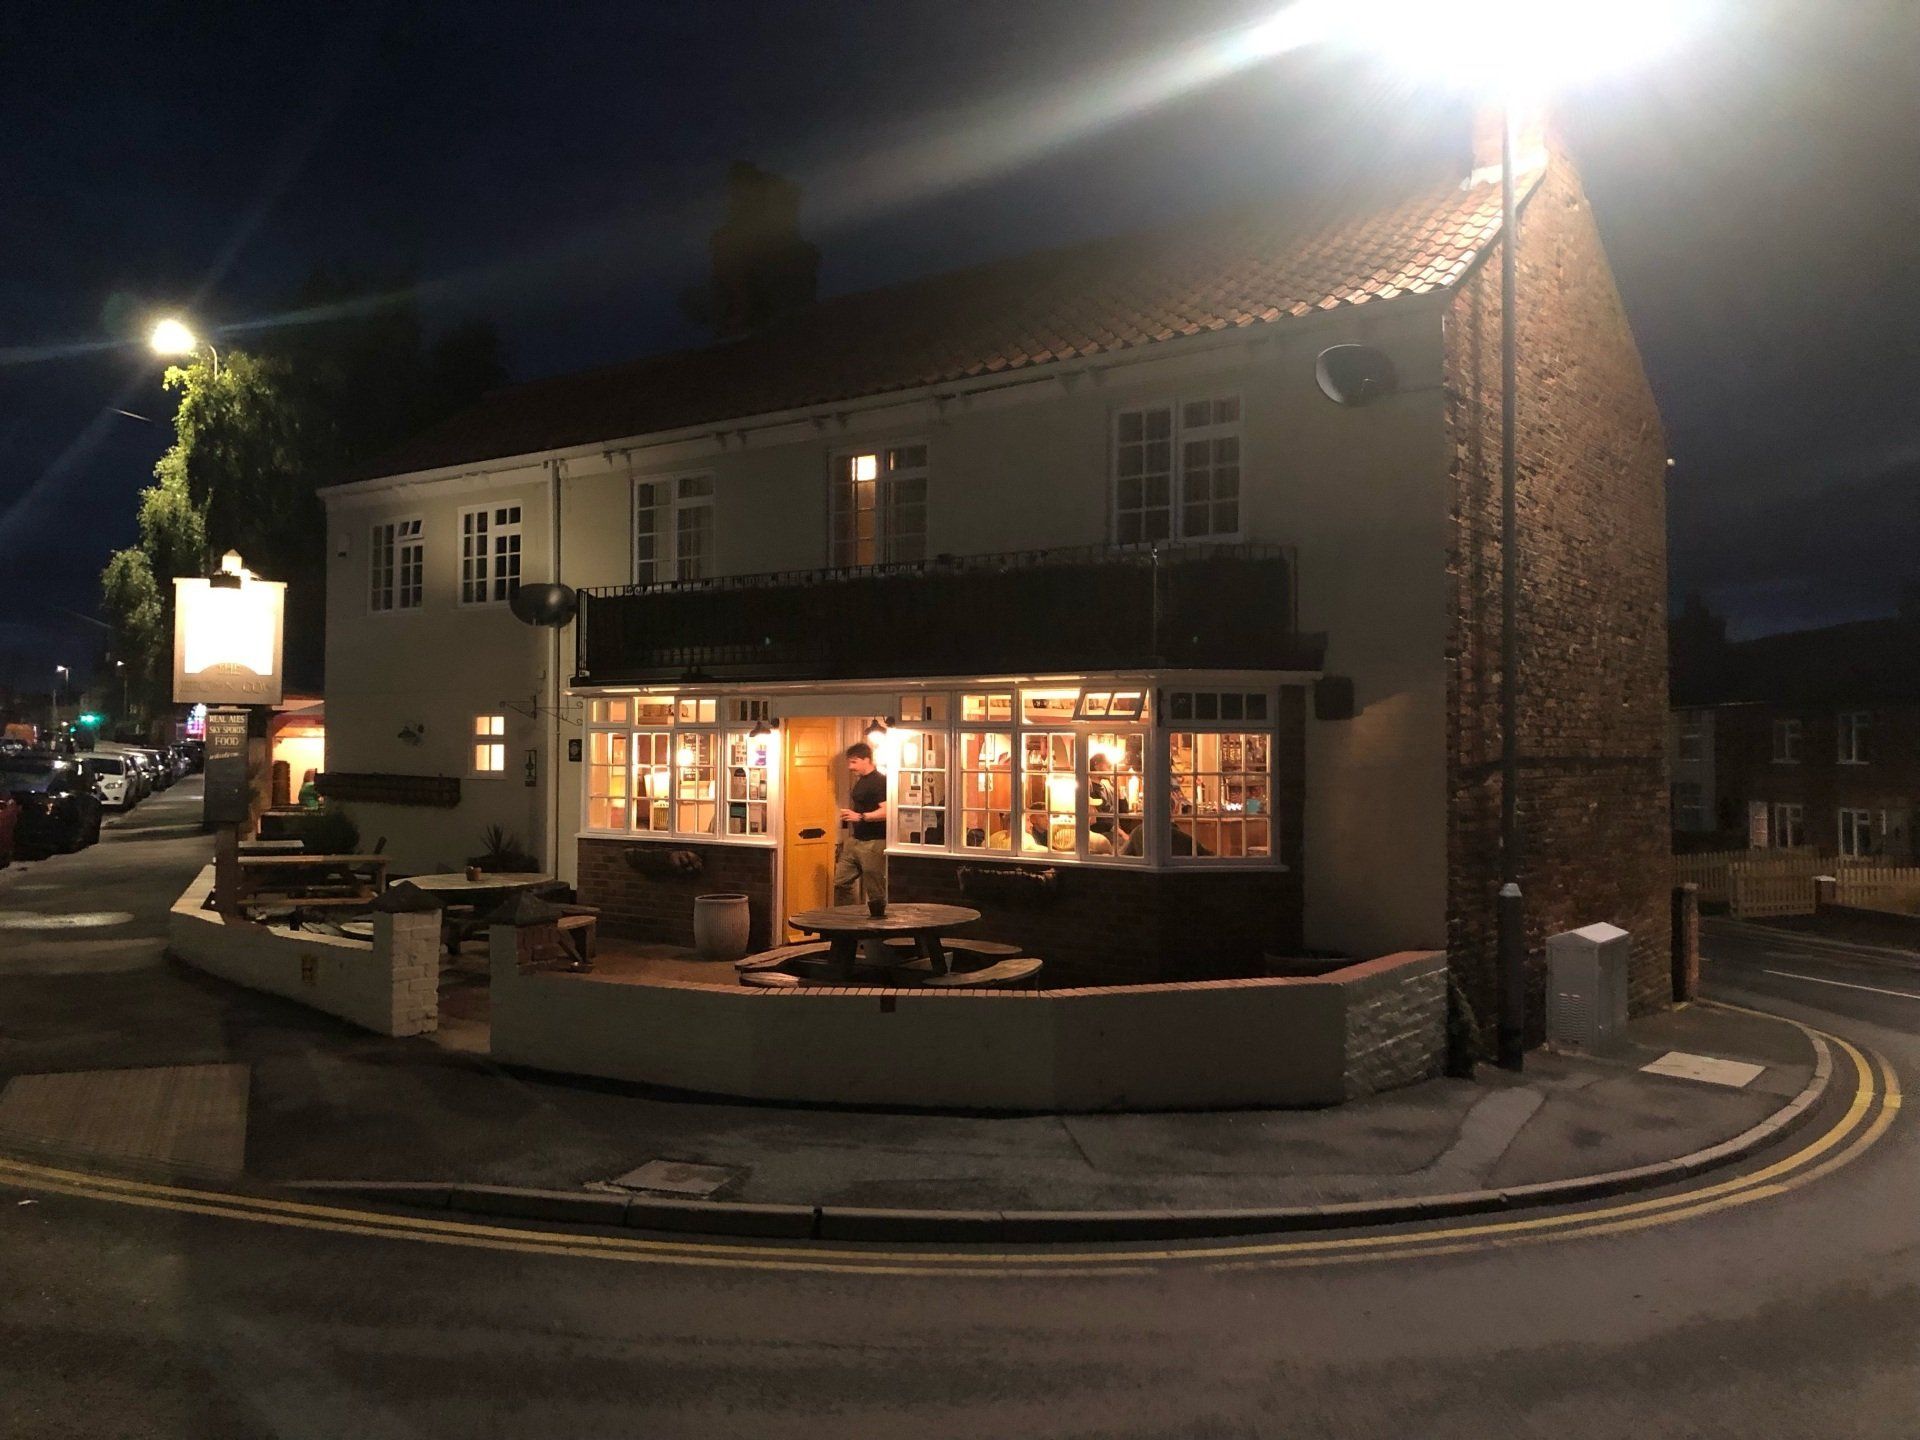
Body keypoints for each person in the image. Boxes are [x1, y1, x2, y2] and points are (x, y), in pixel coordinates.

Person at [834, 741, 889, 908]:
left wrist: (861, 817)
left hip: (874, 841)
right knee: (840, 882)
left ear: (867, 759)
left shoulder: (880, 781)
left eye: (854, 762)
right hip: (855, 840)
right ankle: (847, 921)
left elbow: (887, 811)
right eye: (849, 762)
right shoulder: (861, 780)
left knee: (875, 889)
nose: (850, 767)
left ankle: (877, 927)